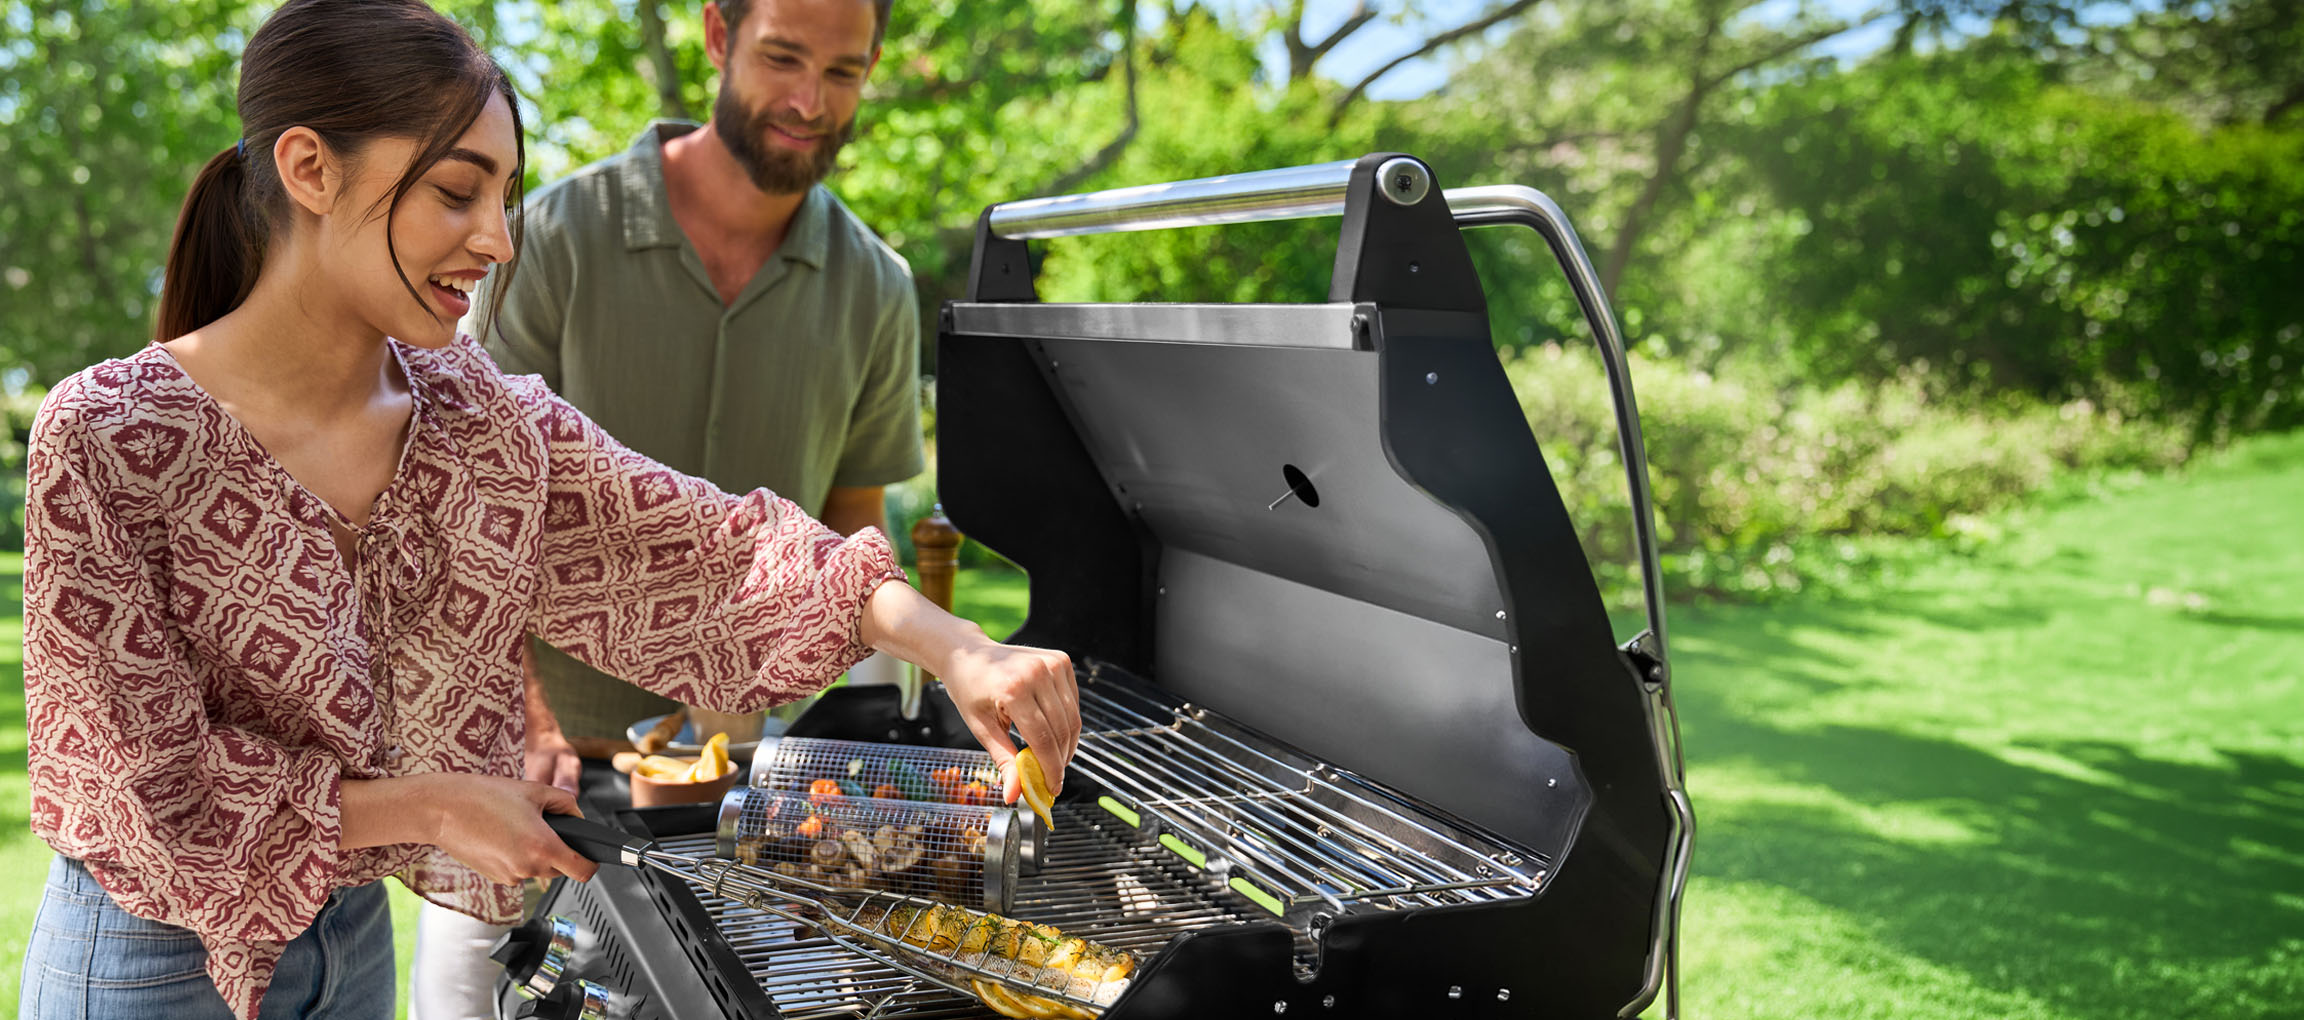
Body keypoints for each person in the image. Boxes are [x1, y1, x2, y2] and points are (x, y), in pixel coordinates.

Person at [14, 2, 1079, 1018]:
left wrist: (955, 645)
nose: (498, 241)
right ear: (309, 169)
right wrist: (433, 804)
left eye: (506, 197)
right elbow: (144, 795)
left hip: (348, 933)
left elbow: (708, 553)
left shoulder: (475, 421)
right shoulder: (110, 438)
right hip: (150, 954)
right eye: (456, 192)